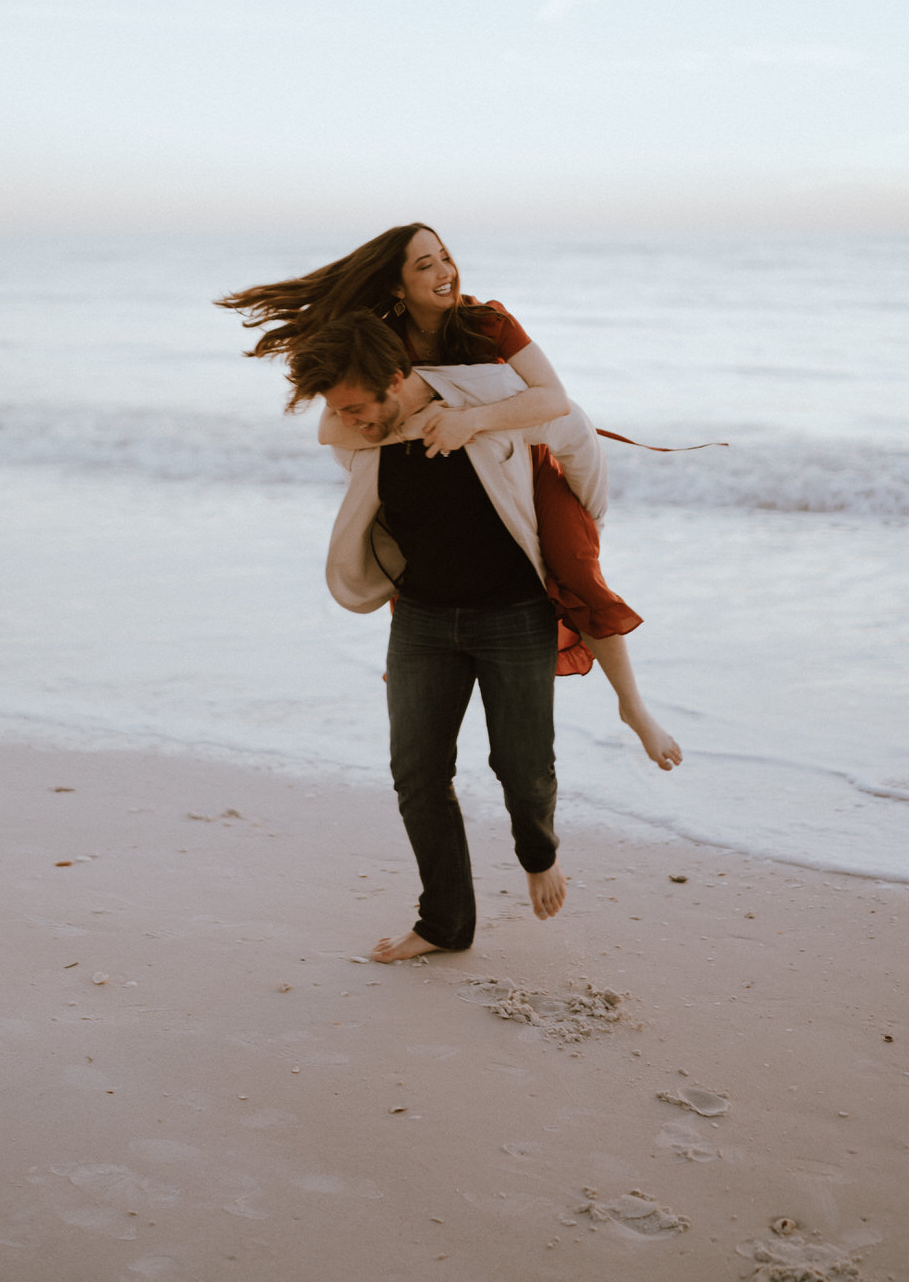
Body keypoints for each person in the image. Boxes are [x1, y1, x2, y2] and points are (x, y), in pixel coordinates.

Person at [281, 310, 680, 962]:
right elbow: (334, 426)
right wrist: (357, 407)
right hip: (422, 620)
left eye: (356, 406)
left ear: (393, 376)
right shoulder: (360, 433)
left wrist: (578, 533)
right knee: (416, 774)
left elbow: (576, 434)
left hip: (511, 614)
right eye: (340, 412)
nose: (346, 423)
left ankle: (538, 852)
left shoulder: (486, 404)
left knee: (521, 770)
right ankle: (443, 922)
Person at [217, 223, 681, 769]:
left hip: (520, 459)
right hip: (440, 474)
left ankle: (632, 706)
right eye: (425, 266)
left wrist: (470, 419)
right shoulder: (382, 340)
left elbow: (553, 400)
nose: (445, 273)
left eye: (445, 257)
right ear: (396, 287)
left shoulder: (488, 322)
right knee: (415, 570)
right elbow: (340, 427)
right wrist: (427, 417)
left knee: (577, 567)